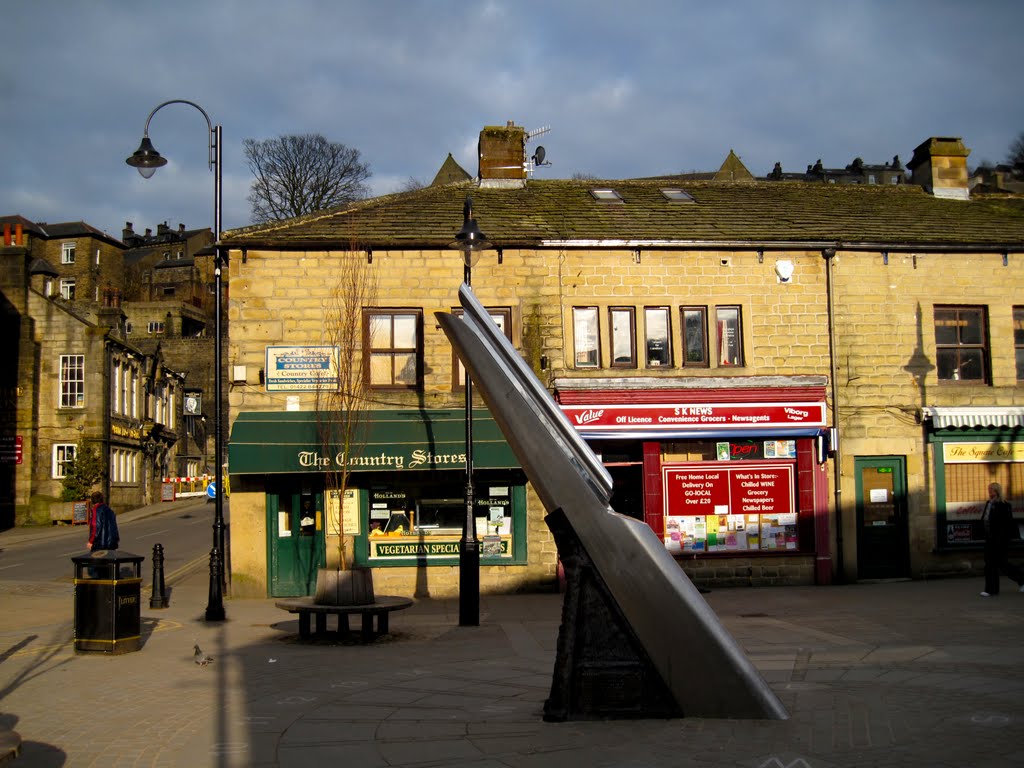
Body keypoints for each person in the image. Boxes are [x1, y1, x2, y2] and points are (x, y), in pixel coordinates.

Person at [980, 482, 1023, 597]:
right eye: (989, 490)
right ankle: (990, 589)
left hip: (1000, 540)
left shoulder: (1004, 505)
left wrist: (1002, 538)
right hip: (989, 539)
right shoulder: (988, 504)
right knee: (989, 564)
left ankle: (1021, 579)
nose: (989, 492)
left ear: (997, 491)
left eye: (992, 490)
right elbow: (985, 519)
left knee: (1002, 564)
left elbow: (1008, 523)